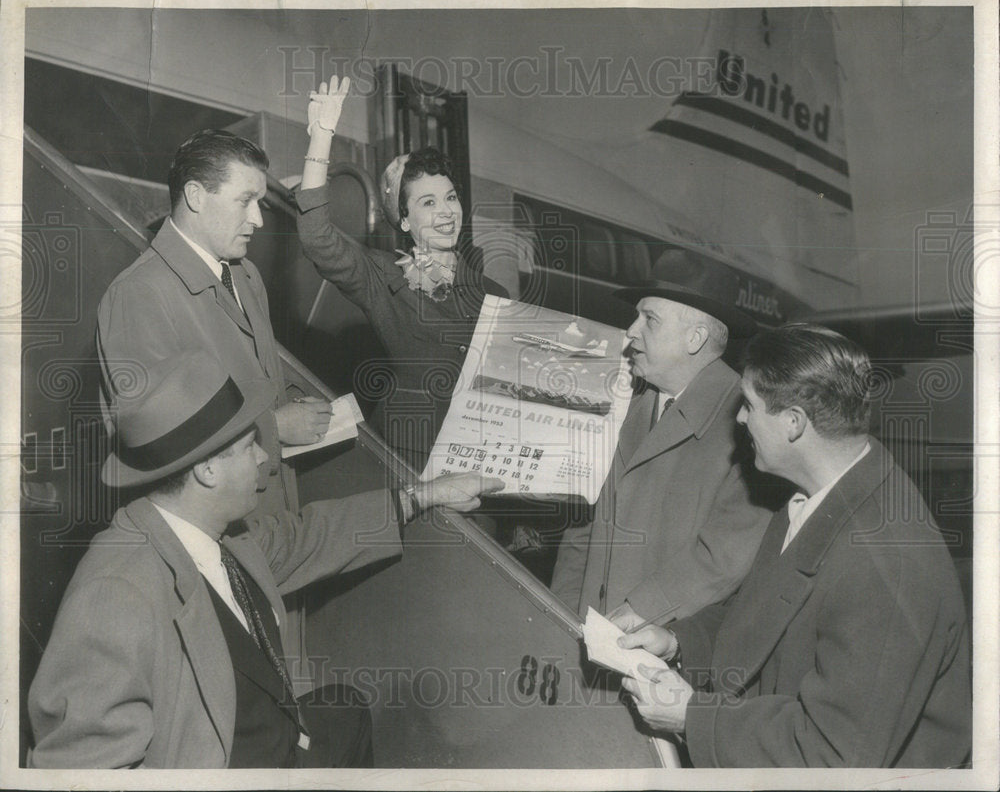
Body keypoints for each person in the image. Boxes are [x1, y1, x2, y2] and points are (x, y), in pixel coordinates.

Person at [28, 351, 501, 768]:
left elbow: (306, 537)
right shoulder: (113, 595)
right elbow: (75, 771)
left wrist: (424, 496)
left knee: (347, 708)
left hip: (277, 744)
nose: (262, 458)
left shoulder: (212, 532)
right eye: (246, 447)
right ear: (207, 470)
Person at [619, 324, 971, 767]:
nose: (740, 419)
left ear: (793, 423)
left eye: (749, 405)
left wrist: (692, 716)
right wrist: (678, 642)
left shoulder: (887, 565)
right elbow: (765, 615)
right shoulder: (813, 497)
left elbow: (832, 757)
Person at [97, 127, 327, 520]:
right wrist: (275, 428)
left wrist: (290, 402)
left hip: (269, 504)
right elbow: (156, 446)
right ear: (195, 196)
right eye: (245, 201)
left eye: (259, 202)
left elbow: (255, 373)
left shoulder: (245, 275)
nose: (257, 218)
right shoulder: (138, 293)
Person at [550, 255, 781, 625]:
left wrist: (636, 614)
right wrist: (560, 615)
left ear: (695, 338)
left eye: (649, 320)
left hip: (658, 652)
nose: (631, 331)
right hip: (584, 641)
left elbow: (722, 559)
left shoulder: (748, 424)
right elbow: (584, 527)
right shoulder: (623, 403)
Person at [295, 76, 507, 467]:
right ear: (405, 221)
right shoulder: (383, 275)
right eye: (428, 202)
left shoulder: (496, 293)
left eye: (451, 198)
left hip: (478, 458)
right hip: (407, 454)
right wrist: (321, 137)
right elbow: (316, 237)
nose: (446, 211)